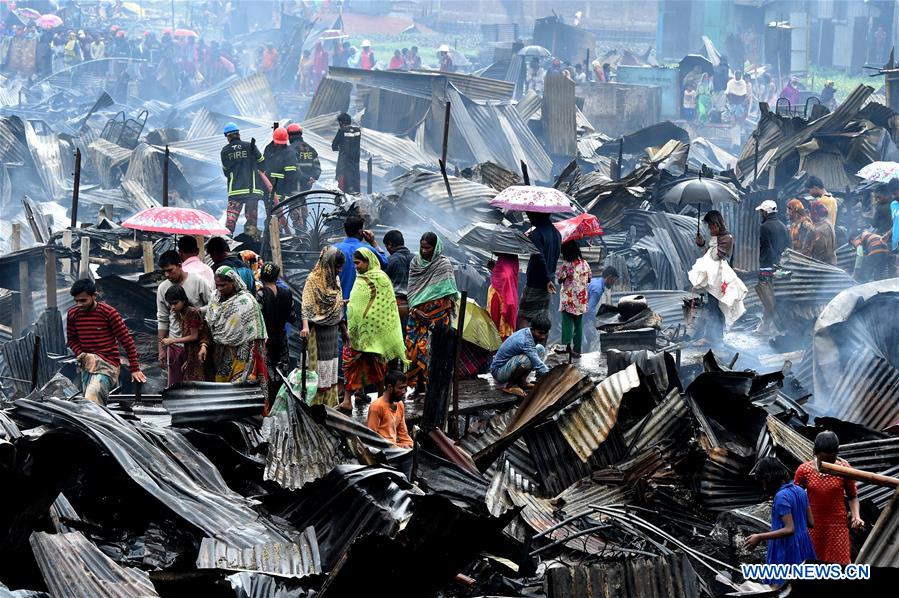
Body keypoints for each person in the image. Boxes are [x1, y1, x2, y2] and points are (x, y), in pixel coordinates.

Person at [342, 248, 407, 412]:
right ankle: (347, 400)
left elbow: (386, 306)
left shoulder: (381, 278)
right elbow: (361, 302)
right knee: (351, 365)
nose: (356, 266)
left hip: (376, 333)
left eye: (358, 263)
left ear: (368, 261)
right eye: (355, 263)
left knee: (378, 367)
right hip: (358, 333)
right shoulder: (359, 279)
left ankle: (380, 398)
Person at [66, 278, 147, 404]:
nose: (79, 305)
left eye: (83, 300)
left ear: (94, 296)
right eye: (76, 301)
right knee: (91, 403)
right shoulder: (72, 314)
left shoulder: (109, 313)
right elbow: (71, 340)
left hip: (108, 364)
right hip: (86, 364)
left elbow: (126, 341)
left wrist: (135, 368)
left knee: (93, 395)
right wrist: (82, 354)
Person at [794, 431, 863, 564]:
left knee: (839, 568)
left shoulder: (845, 469)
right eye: (822, 460)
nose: (826, 465)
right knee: (811, 565)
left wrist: (856, 516)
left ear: (837, 452)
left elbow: (852, 496)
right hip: (812, 527)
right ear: (815, 452)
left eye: (830, 461)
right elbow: (796, 495)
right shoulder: (804, 470)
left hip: (837, 528)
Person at [744, 457, 816, 583]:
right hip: (804, 545)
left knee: (782, 586)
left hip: (787, 547)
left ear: (768, 479)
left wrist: (759, 536)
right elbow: (811, 523)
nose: (763, 486)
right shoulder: (800, 491)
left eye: (763, 481)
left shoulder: (780, 497)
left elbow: (789, 529)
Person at [405, 232, 458, 397]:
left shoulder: (444, 265)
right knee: (414, 352)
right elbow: (412, 291)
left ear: (435, 248)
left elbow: (449, 293)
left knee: (433, 352)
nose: (424, 251)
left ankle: (433, 389)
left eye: (428, 248)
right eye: (422, 247)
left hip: (437, 318)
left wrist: (436, 313)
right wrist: (416, 311)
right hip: (417, 317)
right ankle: (418, 386)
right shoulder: (415, 262)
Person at [202, 266, 269, 390]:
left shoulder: (247, 301)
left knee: (239, 388)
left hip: (242, 352)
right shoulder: (214, 298)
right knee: (220, 389)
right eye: (217, 285)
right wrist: (204, 345)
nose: (220, 288)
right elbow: (208, 322)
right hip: (219, 353)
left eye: (223, 285)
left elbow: (256, 332)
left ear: (233, 282)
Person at [156, 250, 213, 385]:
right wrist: (161, 350)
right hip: (174, 346)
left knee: (197, 384)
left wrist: (198, 311)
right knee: (175, 385)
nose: (167, 275)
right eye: (164, 272)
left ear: (180, 265)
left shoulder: (198, 281)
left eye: (170, 270)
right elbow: (163, 319)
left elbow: (213, 305)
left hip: (196, 346)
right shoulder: (162, 288)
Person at [301, 247, 346, 406]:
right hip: (318, 332)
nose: (339, 270)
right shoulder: (313, 279)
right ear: (328, 264)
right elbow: (306, 305)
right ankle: (315, 404)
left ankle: (329, 404)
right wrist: (305, 327)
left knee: (331, 367)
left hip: (332, 332)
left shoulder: (336, 280)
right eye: (337, 267)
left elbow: (337, 305)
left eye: (341, 267)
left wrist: (344, 329)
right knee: (318, 369)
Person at [691, 210, 744, 342]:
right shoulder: (717, 239)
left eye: (710, 226)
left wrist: (713, 239)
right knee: (714, 306)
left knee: (716, 308)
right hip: (714, 279)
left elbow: (715, 256)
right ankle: (714, 336)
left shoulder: (726, 239)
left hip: (722, 280)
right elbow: (708, 256)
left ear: (716, 225)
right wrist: (702, 244)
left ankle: (714, 337)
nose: (709, 230)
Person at [220, 122, 266, 238]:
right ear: (238, 134)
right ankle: (250, 243)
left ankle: (227, 243)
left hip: (235, 191)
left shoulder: (225, 151)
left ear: (228, 137)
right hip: (252, 190)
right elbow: (262, 163)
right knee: (251, 220)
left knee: (231, 220)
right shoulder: (249, 146)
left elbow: (226, 172)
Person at [490, 313, 551, 397]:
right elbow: (537, 363)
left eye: (545, 333)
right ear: (532, 329)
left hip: (508, 366)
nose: (543, 337)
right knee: (528, 360)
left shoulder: (528, 333)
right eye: (540, 333)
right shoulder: (525, 340)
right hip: (499, 372)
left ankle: (522, 381)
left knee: (540, 348)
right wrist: (551, 375)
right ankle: (511, 385)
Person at [518, 212, 562, 328]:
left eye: (531, 215)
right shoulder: (557, 234)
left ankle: (525, 345)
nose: (530, 218)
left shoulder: (536, 234)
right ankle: (540, 346)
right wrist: (549, 279)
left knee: (524, 315)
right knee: (542, 317)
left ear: (538, 215)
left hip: (537, 281)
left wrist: (546, 279)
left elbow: (539, 258)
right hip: (549, 280)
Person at [258, 263, 294, 398]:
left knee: (268, 373)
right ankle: (281, 400)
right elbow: (292, 317)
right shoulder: (286, 293)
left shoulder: (260, 294)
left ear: (262, 276)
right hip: (282, 337)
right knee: (282, 371)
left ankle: (270, 403)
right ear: (277, 276)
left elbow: (258, 319)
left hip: (266, 340)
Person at [755, 200, 790, 335]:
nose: (760, 214)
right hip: (781, 266)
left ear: (765, 212)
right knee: (777, 297)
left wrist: (763, 268)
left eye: (761, 212)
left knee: (767, 298)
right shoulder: (783, 226)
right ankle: (773, 326)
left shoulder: (765, 227)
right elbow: (788, 247)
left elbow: (765, 249)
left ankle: (767, 326)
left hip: (768, 266)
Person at [160, 285, 207, 384]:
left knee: (196, 384)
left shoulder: (192, 313)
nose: (172, 307)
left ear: (183, 301)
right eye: (170, 304)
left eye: (175, 303)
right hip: (190, 353)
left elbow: (194, 336)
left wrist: (172, 340)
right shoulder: (180, 313)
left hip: (198, 353)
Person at [335, 216, 388, 300]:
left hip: (338, 301)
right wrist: (373, 243)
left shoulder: (333, 249)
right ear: (360, 232)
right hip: (362, 302)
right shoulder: (368, 250)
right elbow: (384, 263)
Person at [263, 127, 302, 233]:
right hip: (271, 190)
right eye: (278, 142)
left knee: (296, 216)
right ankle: (277, 240)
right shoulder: (268, 149)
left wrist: (286, 193)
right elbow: (263, 168)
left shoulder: (289, 153)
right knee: (273, 219)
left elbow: (291, 176)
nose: (280, 145)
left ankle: (300, 237)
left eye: (282, 143)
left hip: (286, 189)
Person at [556, 241, 591, 357]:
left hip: (568, 300)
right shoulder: (585, 263)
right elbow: (589, 278)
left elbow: (560, 279)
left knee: (567, 325)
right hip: (581, 300)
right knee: (578, 325)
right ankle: (577, 350)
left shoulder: (567, 265)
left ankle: (566, 350)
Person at [367, 370, 413, 448]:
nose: (404, 392)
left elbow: (403, 434)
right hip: (383, 451)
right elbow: (371, 439)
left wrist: (411, 445)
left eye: (405, 388)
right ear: (389, 387)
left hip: (395, 449)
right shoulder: (376, 407)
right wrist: (400, 446)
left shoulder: (400, 404)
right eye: (401, 388)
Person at [384, 229, 414, 331]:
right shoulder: (417, 260)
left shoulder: (390, 261)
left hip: (395, 308)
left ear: (389, 244)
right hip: (416, 308)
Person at [584, 266, 619, 351]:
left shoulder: (596, 282)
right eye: (614, 279)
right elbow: (590, 309)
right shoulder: (598, 289)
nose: (614, 282)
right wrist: (595, 322)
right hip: (580, 315)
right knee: (593, 338)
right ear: (609, 277)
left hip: (580, 313)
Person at [487, 253, 519, 340]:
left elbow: (505, 277)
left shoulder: (505, 262)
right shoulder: (512, 260)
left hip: (500, 298)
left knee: (496, 328)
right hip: (507, 297)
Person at [332, 112, 362, 194]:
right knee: (355, 179)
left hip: (344, 161)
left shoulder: (341, 131)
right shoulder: (357, 130)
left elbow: (334, 146)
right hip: (355, 160)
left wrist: (341, 147)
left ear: (341, 123)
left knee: (343, 186)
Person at [288, 123, 321, 193]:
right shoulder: (311, 149)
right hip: (308, 185)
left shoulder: (290, 150)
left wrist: (307, 178)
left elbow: (292, 170)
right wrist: (313, 177)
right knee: (301, 201)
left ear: (289, 135)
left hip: (294, 185)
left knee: (296, 202)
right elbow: (317, 167)